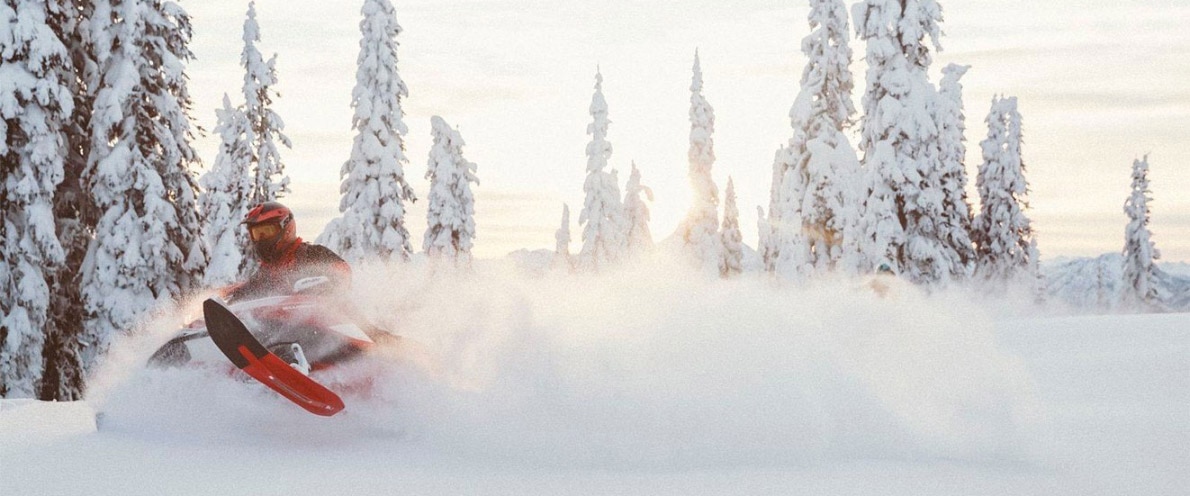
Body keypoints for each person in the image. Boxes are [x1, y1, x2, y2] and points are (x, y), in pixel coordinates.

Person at [226, 201, 351, 302]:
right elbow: (248, 290)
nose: (262, 239)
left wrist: (324, 285)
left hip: (328, 321)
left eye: (267, 231)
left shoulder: (311, 253)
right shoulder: (266, 272)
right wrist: (226, 298)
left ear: (286, 229)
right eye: (257, 234)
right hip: (285, 328)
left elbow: (343, 271)